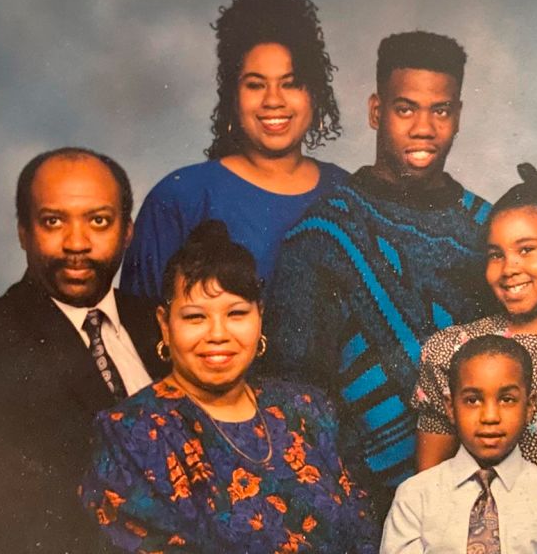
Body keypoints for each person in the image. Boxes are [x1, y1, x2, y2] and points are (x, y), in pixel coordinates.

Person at [262, 31, 495, 509]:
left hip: (489, 496)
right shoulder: (323, 235)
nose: (424, 128)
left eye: (441, 111)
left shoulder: (488, 229)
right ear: (375, 111)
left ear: (458, 117)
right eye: (405, 109)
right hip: (363, 504)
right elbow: (290, 395)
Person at [82, 220, 378, 553]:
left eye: (237, 313)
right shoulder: (131, 434)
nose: (218, 334)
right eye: (196, 317)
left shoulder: (307, 407)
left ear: (260, 317)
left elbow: (364, 531)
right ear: (165, 325)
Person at [0, 147, 169, 553]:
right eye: (53, 221)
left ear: (128, 231)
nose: (77, 244)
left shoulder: (161, 322)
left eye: (99, 221)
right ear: (23, 232)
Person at [120, 0, 349, 303]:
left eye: (291, 84)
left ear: (315, 95)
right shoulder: (180, 196)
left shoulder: (349, 193)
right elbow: (139, 326)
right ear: (233, 97)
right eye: (255, 85)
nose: (274, 100)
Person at [413, 164, 537, 476]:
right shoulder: (454, 349)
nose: (509, 268)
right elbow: (429, 489)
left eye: (526, 249)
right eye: (496, 254)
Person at [381, 335, 537, 554]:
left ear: (530, 406)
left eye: (507, 399)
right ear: (450, 407)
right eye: (473, 400)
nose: (490, 417)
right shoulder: (415, 497)